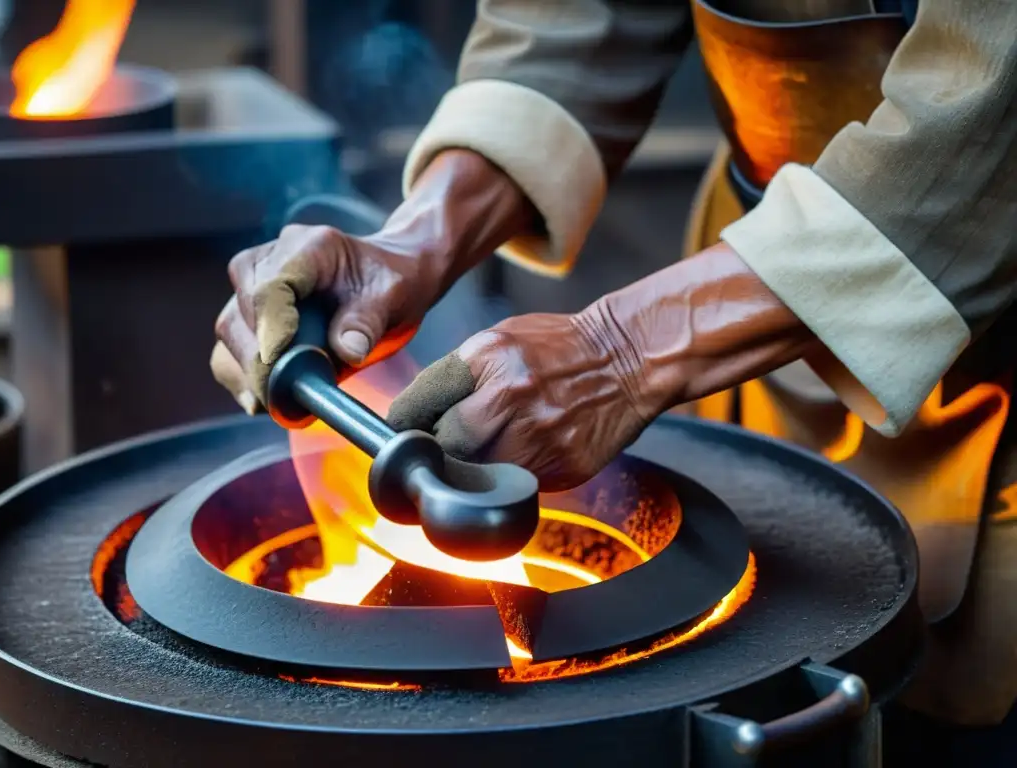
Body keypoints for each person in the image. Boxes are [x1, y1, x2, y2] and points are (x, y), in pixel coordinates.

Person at [211, 0, 1016, 752]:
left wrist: (622, 351)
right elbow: (580, 14)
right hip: (765, 311)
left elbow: (991, 112)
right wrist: (417, 240)